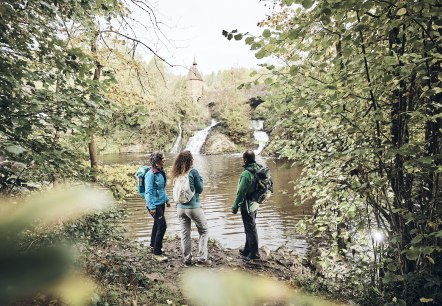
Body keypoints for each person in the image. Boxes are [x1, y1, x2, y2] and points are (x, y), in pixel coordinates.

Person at [171, 150, 209, 266]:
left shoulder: (176, 173)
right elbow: (200, 189)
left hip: (180, 208)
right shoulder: (193, 172)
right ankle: (201, 258)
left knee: (185, 233)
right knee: (203, 231)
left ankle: (187, 259)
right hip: (193, 208)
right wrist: (200, 180)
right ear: (190, 160)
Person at [231, 149, 261, 261]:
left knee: (250, 229)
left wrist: (235, 207)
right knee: (249, 227)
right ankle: (247, 249)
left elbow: (240, 193)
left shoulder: (246, 174)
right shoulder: (258, 168)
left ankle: (254, 254)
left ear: (245, 160)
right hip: (255, 203)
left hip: (247, 205)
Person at [145, 151, 170, 260]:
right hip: (154, 205)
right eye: (163, 158)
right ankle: (157, 253)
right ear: (158, 160)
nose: (165, 159)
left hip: (161, 203)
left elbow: (162, 188)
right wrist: (152, 207)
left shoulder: (160, 171)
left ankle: (152, 245)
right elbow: (148, 192)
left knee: (157, 224)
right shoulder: (150, 174)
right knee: (162, 226)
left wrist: (167, 199)